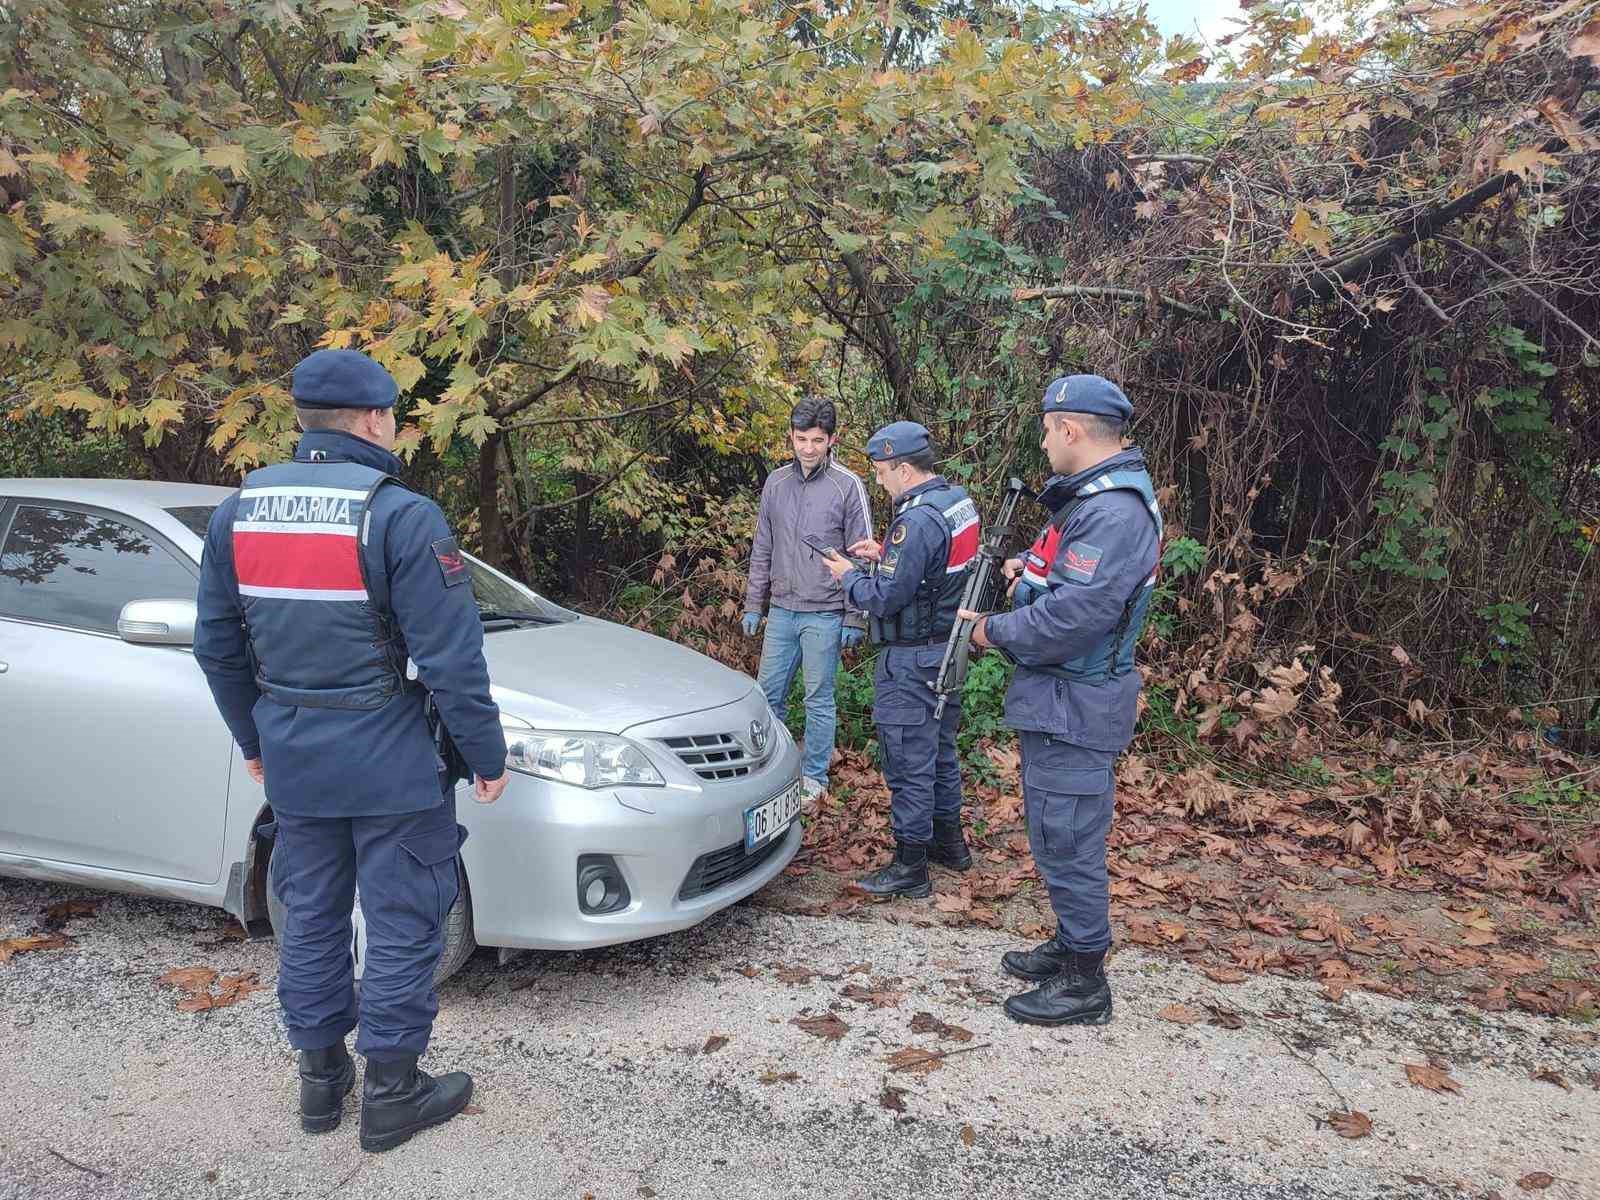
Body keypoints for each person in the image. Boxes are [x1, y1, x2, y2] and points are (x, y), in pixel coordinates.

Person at [194, 349, 511, 1151]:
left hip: (297, 762)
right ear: (374, 420)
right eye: (394, 416)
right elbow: (451, 660)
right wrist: (486, 756)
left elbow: (217, 648)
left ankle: (321, 1083)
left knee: (310, 919)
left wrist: (253, 739)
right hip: (393, 763)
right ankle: (394, 1094)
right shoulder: (399, 515)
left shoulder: (239, 513)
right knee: (404, 921)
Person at [960, 374, 1162, 1027]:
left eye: (1048, 430)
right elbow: (1068, 574)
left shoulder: (1111, 512)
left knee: (1069, 838)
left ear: (1071, 430)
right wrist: (1026, 565)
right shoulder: (1093, 503)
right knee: (1056, 832)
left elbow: (1075, 619)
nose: (1044, 443)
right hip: (1062, 699)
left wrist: (992, 630)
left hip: (1077, 703)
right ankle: (1072, 942)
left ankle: (1085, 981)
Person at [822, 421, 980, 897]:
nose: (879, 481)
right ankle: (950, 845)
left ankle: (911, 864)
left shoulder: (915, 520)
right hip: (947, 651)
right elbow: (932, 569)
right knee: (941, 752)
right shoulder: (956, 503)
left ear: (905, 469)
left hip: (912, 659)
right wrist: (886, 551)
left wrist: (849, 575)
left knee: (908, 759)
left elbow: (885, 597)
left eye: (883, 472)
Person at [742, 396, 871, 803]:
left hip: (826, 612)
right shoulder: (775, 483)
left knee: (818, 699)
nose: (808, 448)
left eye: (817, 440)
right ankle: (768, 773)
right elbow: (762, 546)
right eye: (801, 439)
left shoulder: (848, 486)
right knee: (767, 696)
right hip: (781, 609)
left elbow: (862, 553)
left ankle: (814, 777)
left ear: (833, 440)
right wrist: (752, 604)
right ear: (791, 437)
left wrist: (856, 616)